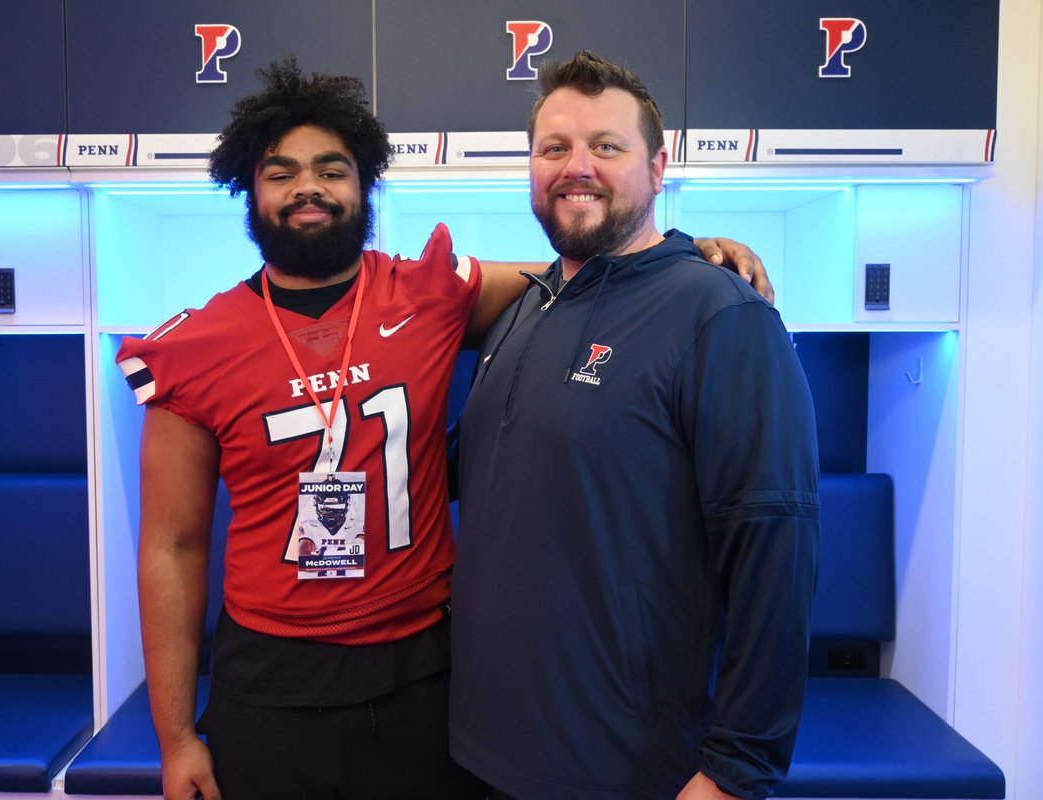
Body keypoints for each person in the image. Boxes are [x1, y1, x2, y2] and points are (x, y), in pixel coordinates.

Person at [117, 55, 773, 800]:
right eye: (281, 172)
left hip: (426, 676)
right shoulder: (192, 346)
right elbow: (171, 546)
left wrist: (697, 253)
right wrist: (174, 739)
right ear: (248, 189)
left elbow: (594, 269)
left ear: (364, 185)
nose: (309, 188)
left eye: (332, 170)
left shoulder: (431, 289)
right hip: (269, 679)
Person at [450, 51, 821, 800]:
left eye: (606, 147)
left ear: (658, 168)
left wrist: (734, 771)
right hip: (479, 750)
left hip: (624, 769)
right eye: (554, 148)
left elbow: (774, 554)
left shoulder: (720, 314)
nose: (575, 167)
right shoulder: (523, 309)